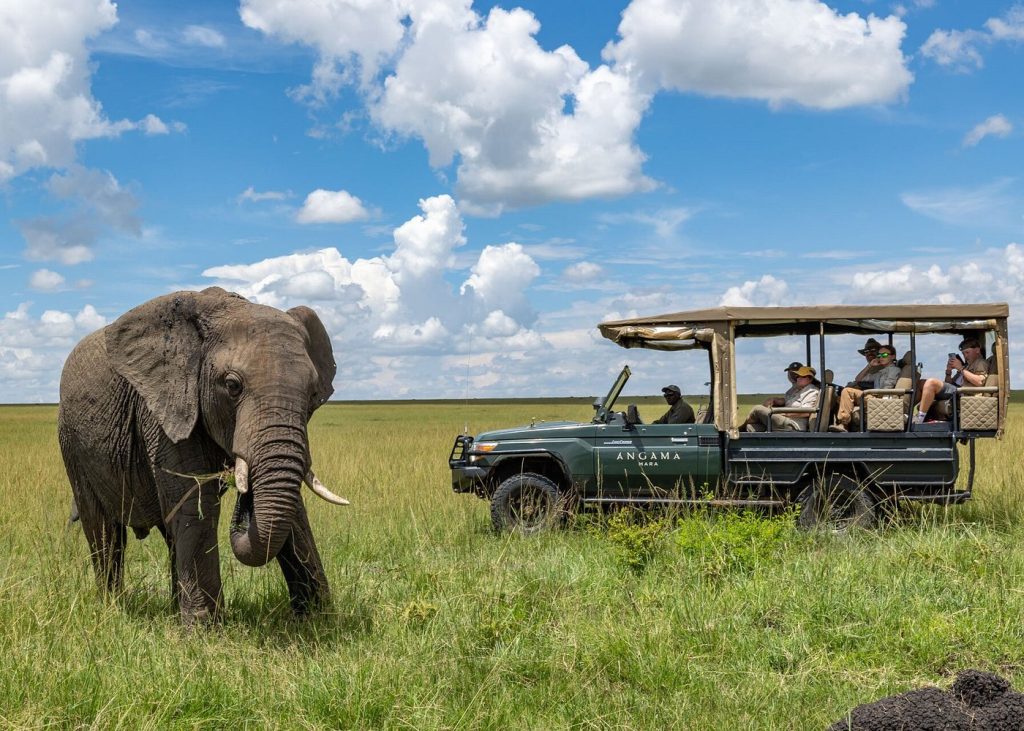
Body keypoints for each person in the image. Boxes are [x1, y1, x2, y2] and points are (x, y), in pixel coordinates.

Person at [915, 337, 989, 423]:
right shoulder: (966, 366)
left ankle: (919, 419)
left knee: (931, 383)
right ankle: (906, 413)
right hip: (954, 392)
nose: (965, 356)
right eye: (963, 353)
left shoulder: (980, 363)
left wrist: (961, 369)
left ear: (977, 350)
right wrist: (948, 372)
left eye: (967, 352)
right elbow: (949, 384)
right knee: (921, 383)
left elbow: (980, 382)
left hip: (962, 393)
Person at [830, 346, 900, 432]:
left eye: (885, 354)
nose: (881, 357)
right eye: (879, 355)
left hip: (881, 399)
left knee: (847, 391)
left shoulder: (894, 370)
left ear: (893, 356)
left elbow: (887, 388)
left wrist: (871, 394)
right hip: (874, 396)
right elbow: (858, 379)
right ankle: (842, 423)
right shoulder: (880, 372)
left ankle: (844, 424)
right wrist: (869, 365)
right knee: (842, 394)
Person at [743, 365, 820, 432]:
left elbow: (805, 412)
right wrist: (775, 400)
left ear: (810, 379)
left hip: (794, 425)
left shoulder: (811, 391)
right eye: (797, 376)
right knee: (751, 427)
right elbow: (787, 401)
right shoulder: (798, 390)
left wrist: (781, 413)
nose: (799, 378)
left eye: (803, 376)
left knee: (757, 409)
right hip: (786, 420)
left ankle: (737, 429)